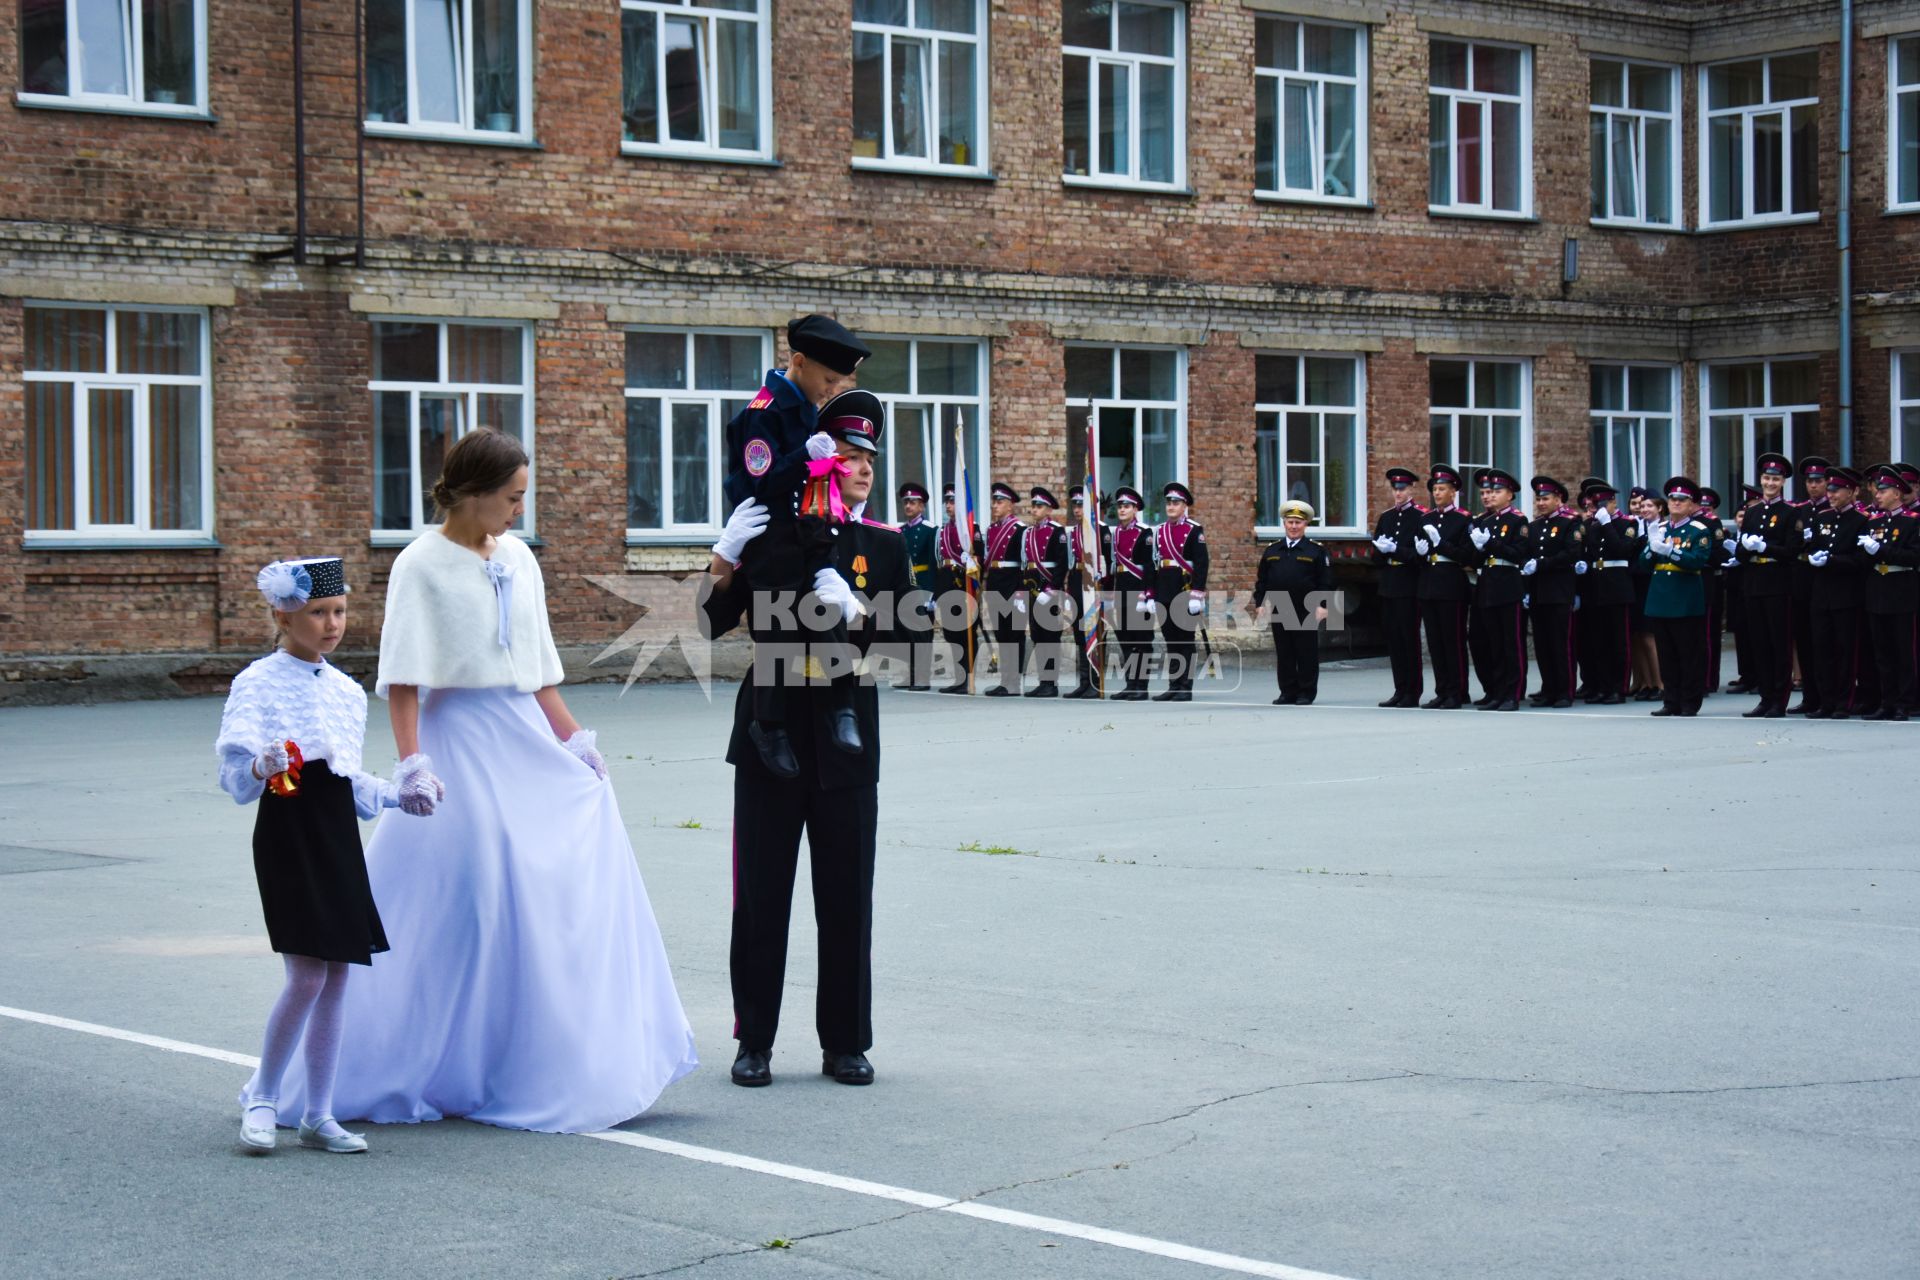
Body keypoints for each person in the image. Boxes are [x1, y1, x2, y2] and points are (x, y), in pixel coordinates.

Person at [276, 429, 699, 1133]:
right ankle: (403, 1060)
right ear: (471, 492)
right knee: (473, 891)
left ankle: (529, 1058)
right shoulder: (419, 563)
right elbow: (405, 678)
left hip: (522, 738)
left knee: (542, 890)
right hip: (458, 740)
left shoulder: (520, 560)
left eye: (522, 498)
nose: (517, 511)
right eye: (511, 498)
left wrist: (574, 740)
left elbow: (539, 670)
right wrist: (412, 763)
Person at [701, 418, 912, 1086]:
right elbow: (709, 622)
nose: (861, 469)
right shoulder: (769, 530)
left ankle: (845, 1040)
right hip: (772, 733)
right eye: (848, 457)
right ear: (821, 467)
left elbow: (904, 644)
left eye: (868, 460)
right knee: (760, 898)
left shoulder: (881, 544)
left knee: (848, 898)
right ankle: (753, 1039)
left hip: (845, 741)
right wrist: (723, 556)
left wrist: (853, 613)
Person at [219, 557, 439, 1154]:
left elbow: (348, 780)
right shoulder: (258, 682)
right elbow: (235, 775)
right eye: (318, 612)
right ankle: (264, 1097)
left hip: (337, 834)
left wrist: (399, 795)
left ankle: (320, 1111)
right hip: (289, 832)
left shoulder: (345, 690)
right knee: (307, 973)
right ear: (284, 615)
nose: (332, 623)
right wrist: (263, 764)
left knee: (338, 976)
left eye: (339, 611)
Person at [721, 314, 869, 776]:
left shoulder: (804, 405)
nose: (829, 389)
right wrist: (806, 458)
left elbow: (812, 488)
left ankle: (840, 707)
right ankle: (769, 725)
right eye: (827, 379)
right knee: (778, 633)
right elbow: (760, 481)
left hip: (806, 533)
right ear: (799, 362)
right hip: (769, 540)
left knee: (826, 613)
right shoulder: (763, 412)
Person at [1733, 453, 1803, 718]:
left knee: (1778, 643)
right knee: (1759, 643)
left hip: (1777, 583)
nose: (1770, 483)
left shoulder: (1790, 513)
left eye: (1775, 478)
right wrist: (1746, 549)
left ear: (1783, 482)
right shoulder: (1752, 512)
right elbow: (1740, 550)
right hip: (1754, 582)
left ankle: (1779, 699)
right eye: (1766, 478)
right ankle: (1765, 696)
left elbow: (1792, 550)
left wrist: (1765, 547)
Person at [1642, 476, 1715, 717]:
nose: (1675, 502)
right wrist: (1652, 548)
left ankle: (1689, 701)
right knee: (1667, 654)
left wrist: (1670, 552)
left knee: (1688, 653)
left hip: (1685, 599)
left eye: (1682, 500)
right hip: (1661, 597)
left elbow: (1698, 560)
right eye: (1672, 499)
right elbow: (1642, 563)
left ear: (1692, 505)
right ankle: (1670, 700)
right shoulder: (1659, 528)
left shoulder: (1698, 530)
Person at [1804, 466, 1868, 718]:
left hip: (1846, 595)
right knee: (1822, 650)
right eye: (1829, 489)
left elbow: (1860, 560)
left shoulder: (1861, 521)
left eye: (1837, 490)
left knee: (1845, 651)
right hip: (1821, 594)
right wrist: (1815, 557)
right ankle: (1826, 701)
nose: (1831, 494)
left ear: (1852, 492)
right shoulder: (1822, 518)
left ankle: (1844, 701)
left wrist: (1831, 560)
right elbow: (1815, 547)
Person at [1254, 500, 1332, 705]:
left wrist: (1323, 606)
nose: (1294, 526)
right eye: (1290, 522)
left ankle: (1306, 692)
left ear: (1305, 525)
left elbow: (1325, 581)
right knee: (1285, 651)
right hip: (1280, 605)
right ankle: (1287, 691)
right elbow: (1262, 580)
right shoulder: (1272, 550)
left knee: (1306, 651)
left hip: (1306, 606)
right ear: (1284, 523)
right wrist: (1260, 602)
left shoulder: (1315, 550)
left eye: (1298, 522)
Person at [1858, 464, 1920, 720]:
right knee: (1882, 652)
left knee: (1903, 652)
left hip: (1901, 588)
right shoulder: (1874, 522)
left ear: (1897, 493)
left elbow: (1913, 556)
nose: (1878, 495)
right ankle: (1887, 701)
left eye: (1883, 491)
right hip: (1878, 589)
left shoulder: (1911, 522)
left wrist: (1880, 551)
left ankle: (1904, 703)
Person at [1466, 469, 1530, 711]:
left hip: (1508, 584)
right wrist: (1479, 547)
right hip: (1488, 585)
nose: (1491, 495)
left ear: (1510, 495)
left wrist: (1491, 543)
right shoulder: (1485, 521)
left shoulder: (1518, 520)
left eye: (1497, 491)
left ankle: (1512, 694)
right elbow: (1474, 560)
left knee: (1510, 643)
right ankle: (1497, 691)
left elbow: (1518, 553)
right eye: (1490, 491)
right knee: (1493, 643)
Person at [1522, 476, 1584, 708]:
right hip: (1539, 591)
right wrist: (1527, 589)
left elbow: (1571, 554)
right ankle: (1548, 689)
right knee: (1543, 643)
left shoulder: (1571, 523)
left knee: (1560, 643)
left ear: (1558, 499)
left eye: (1545, 498)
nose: (1541, 503)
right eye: (1538, 499)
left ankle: (1564, 691)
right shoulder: (1535, 526)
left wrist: (1542, 563)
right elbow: (1527, 555)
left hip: (1559, 590)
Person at [1415, 464, 1472, 708]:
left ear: (1453, 492)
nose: (1437, 493)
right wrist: (1421, 553)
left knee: (1453, 640)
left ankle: (1458, 691)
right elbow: (1420, 551)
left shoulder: (1463, 519)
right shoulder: (1426, 518)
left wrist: (1442, 545)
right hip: (1429, 583)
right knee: (1436, 643)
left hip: (1451, 584)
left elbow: (1466, 556)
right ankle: (1442, 690)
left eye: (1442, 489)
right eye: (1435, 489)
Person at [1578, 478, 1638, 705]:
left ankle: (1619, 687)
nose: (1596, 510)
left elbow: (1622, 550)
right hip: (1596, 587)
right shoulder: (1592, 525)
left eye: (1601, 505)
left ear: (1613, 503)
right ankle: (1603, 686)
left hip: (1617, 587)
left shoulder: (1627, 524)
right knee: (1599, 641)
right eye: (1594, 506)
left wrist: (1607, 525)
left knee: (1618, 641)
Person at [1371, 466, 1427, 708]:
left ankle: (1413, 691)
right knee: (1394, 639)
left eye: (1402, 489)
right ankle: (1399, 688)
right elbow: (1375, 557)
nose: (1398, 493)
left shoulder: (1420, 517)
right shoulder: (1386, 517)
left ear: (1411, 489)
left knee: (1408, 639)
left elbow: (1420, 556)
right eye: (1395, 489)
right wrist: (1382, 552)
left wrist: (1396, 550)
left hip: (1409, 584)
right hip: (1389, 584)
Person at [1152, 482, 1209, 702]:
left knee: (1185, 639)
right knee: (1170, 640)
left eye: (1176, 502)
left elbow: (1201, 564)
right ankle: (1174, 684)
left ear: (1185, 505)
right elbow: (1156, 562)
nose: (1171, 506)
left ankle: (1185, 686)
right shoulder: (1160, 531)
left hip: (1184, 590)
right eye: (1169, 502)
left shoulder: (1194, 530)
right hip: (1164, 588)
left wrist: (1197, 593)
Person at [1788, 456, 1832, 712]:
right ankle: (1810, 696)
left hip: (1824, 579)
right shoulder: (1800, 510)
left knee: (1823, 643)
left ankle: (1828, 697)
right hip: (1803, 580)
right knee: (1804, 641)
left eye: (1819, 481)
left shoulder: (1832, 509)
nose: (1813, 486)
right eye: (1810, 481)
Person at [1105, 486, 1156, 700]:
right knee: (1125, 639)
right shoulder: (1115, 533)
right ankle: (1130, 683)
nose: (1122, 509)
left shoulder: (1145, 533)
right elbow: (1111, 566)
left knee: (1142, 640)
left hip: (1139, 593)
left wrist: (1149, 593)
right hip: (1121, 591)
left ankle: (1141, 687)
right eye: (1120, 506)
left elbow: (1150, 566)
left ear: (1136, 509)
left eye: (1127, 506)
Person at [933, 483, 983, 694]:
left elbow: (980, 557)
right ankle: (958, 678)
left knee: (965, 632)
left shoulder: (972, 528)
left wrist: (970, 561)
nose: (948, 506)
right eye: (947, 502)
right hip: (946, 583)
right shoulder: (943, 530)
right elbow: (939, 560)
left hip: (963, 584)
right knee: (951, 633)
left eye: (953, 501)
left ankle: (967, 678)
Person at [1022, 487, 1072, 698]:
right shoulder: (1028, 533)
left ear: (1049, 509)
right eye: (1033, 506)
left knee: (1050, 635)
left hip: (1050, 589)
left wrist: (1052, 588)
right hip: (1033, 589)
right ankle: (1044, 681)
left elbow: (1062, 564)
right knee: (1037, 635)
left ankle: (1051, 683)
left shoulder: (1057, 531)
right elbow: (1025, 564)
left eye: (1039, 506)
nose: (1034, 510)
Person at [982, 482, 1026, 696]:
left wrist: (1020, 591)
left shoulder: (1019, 530)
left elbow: (1024, 564)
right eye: (994, 502)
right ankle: (1005, 679)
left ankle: (1014, 681)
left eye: (1000, 502)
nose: (995, 506)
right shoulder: (992, 529)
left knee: (1014, 633)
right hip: (996, 583)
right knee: (1001, 633)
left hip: (1012, 584)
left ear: (1010, 506)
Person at [1064, 485, 1104, 698]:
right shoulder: (1073, 533)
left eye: (1081, 504)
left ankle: (1096, 681)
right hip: (1077, 582)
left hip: (1093, 586)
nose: (1077, 509)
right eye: (1075, 505)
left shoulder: (1101, 531)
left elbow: (1108, 563)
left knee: (1093, 633)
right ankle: (1084, 681)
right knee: (1080, 633)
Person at [897, 481, 936, 691]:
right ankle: (910, 674)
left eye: (913, 502)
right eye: (906, 502)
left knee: (922, 634)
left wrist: (931, 594)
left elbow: (933, 563)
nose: (908, 506)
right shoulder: (900, 531)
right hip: (905, 587)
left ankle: (922, 677)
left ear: (922, 506)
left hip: (922, 586)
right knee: (907, 633)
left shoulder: (930, 530)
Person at [1628, 488, 1665, 700]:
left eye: (1649, 505)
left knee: (1650, 636)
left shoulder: (1662, 528)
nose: (1644, 509)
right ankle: (1646, 682)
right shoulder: (1638, 527)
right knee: (1638, 635)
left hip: (1652, 583)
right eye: (1643, 506)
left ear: (1660, 508)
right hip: (1637, 584)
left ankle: (1660, 683)